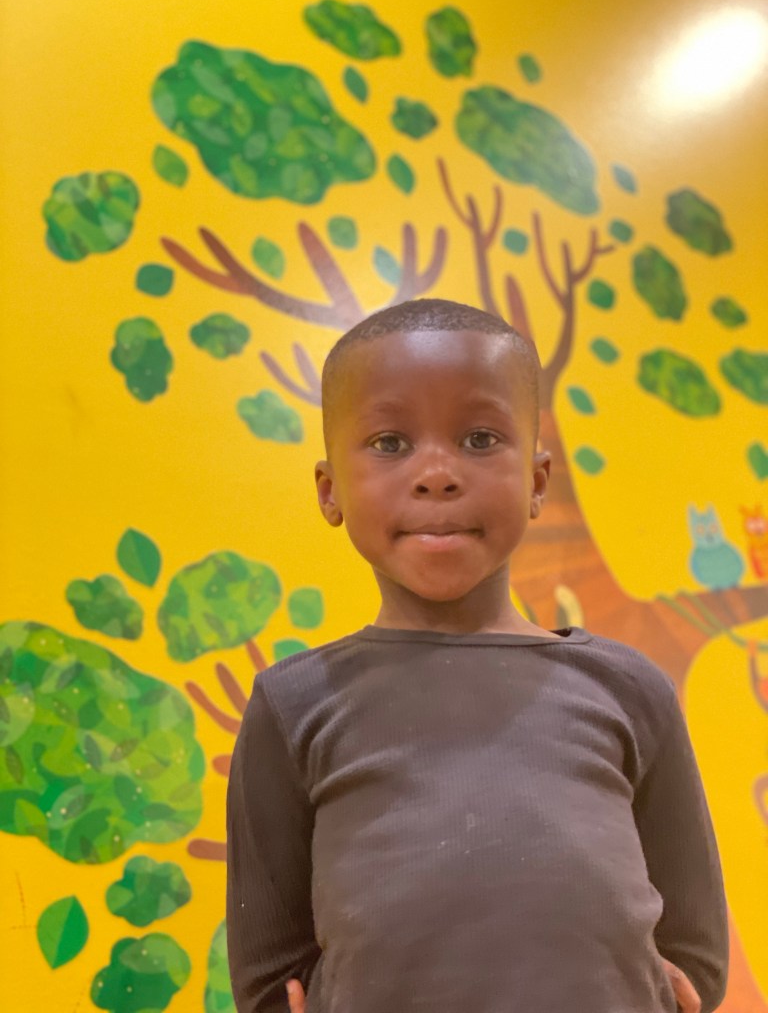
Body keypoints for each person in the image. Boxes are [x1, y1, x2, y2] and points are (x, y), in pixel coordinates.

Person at [226, 298, 728, 1013]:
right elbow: (270, 975)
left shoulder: (628, 689)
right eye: (390, 443)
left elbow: (693, 954)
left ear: (537, 481)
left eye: (481, 439)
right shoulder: (294, 704)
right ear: (330, 491)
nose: (437, 473)